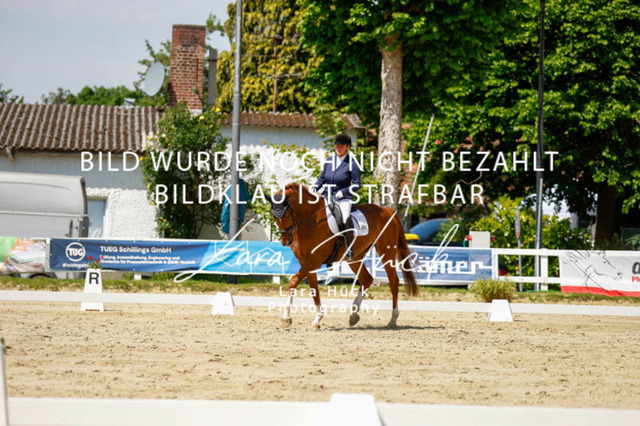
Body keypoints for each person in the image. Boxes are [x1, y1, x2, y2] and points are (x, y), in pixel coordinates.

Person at [311, 133, 361, 259]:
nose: (338, 148)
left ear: (348, 147)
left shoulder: (352, 163)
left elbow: (357, 184)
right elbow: (322, 178)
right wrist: (315, 187)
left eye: (342, 146)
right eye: (337, 145)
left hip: (343, 198)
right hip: (326, 195)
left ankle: (349, 248)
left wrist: (343, 192)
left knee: (344, 217)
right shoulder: (329, 161)